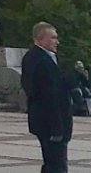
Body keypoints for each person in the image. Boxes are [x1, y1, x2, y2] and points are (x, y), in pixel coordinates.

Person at [21, 21, 73, 173]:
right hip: (50, 123)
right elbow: (48, 96)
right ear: (39, 39)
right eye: (53, 38)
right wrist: (56, 128)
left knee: (53, 162)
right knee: (56, 164)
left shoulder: (45, 57)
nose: (57, 42)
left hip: (50, 122)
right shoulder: (39, 60)